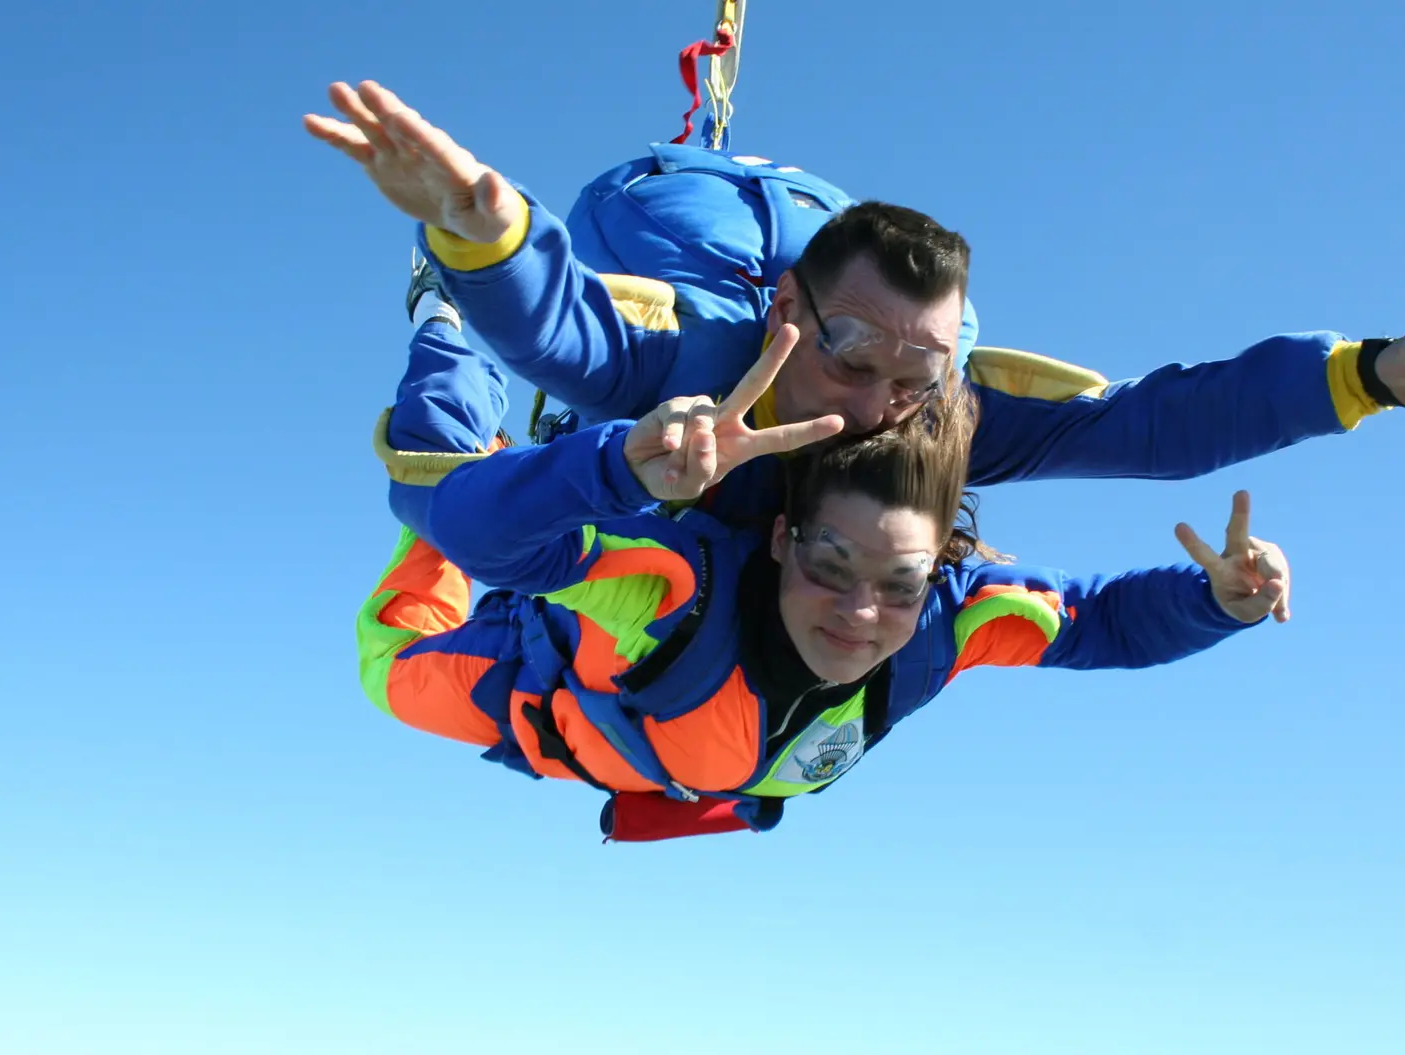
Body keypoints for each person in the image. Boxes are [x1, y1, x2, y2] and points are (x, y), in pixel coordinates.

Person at [305, 81, 1405, 550]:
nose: (879, 407)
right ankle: (434, 314)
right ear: (795, 310)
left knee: (1019, 405)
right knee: (449, 473)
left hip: (782, 265)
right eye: (854, 355)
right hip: (666, 262)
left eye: (921, 370)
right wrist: (486, 243)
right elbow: (567, 340)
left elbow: (1155, 429)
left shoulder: (936, 409)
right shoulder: (708, 354)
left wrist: (1372, 376)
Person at [361, 315, 1294, 840]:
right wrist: (611, 472)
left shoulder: (948, 623)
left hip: (653, 760)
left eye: (899, 582)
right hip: (539, 690)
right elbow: (482, 539)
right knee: (433, 529)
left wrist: (1216, 603)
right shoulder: (674, 594)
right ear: (779, 538)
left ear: (935, 575)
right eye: (829, 564)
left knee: (489, 507)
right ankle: (445, 325)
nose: (860, 612)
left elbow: (1099, 623)